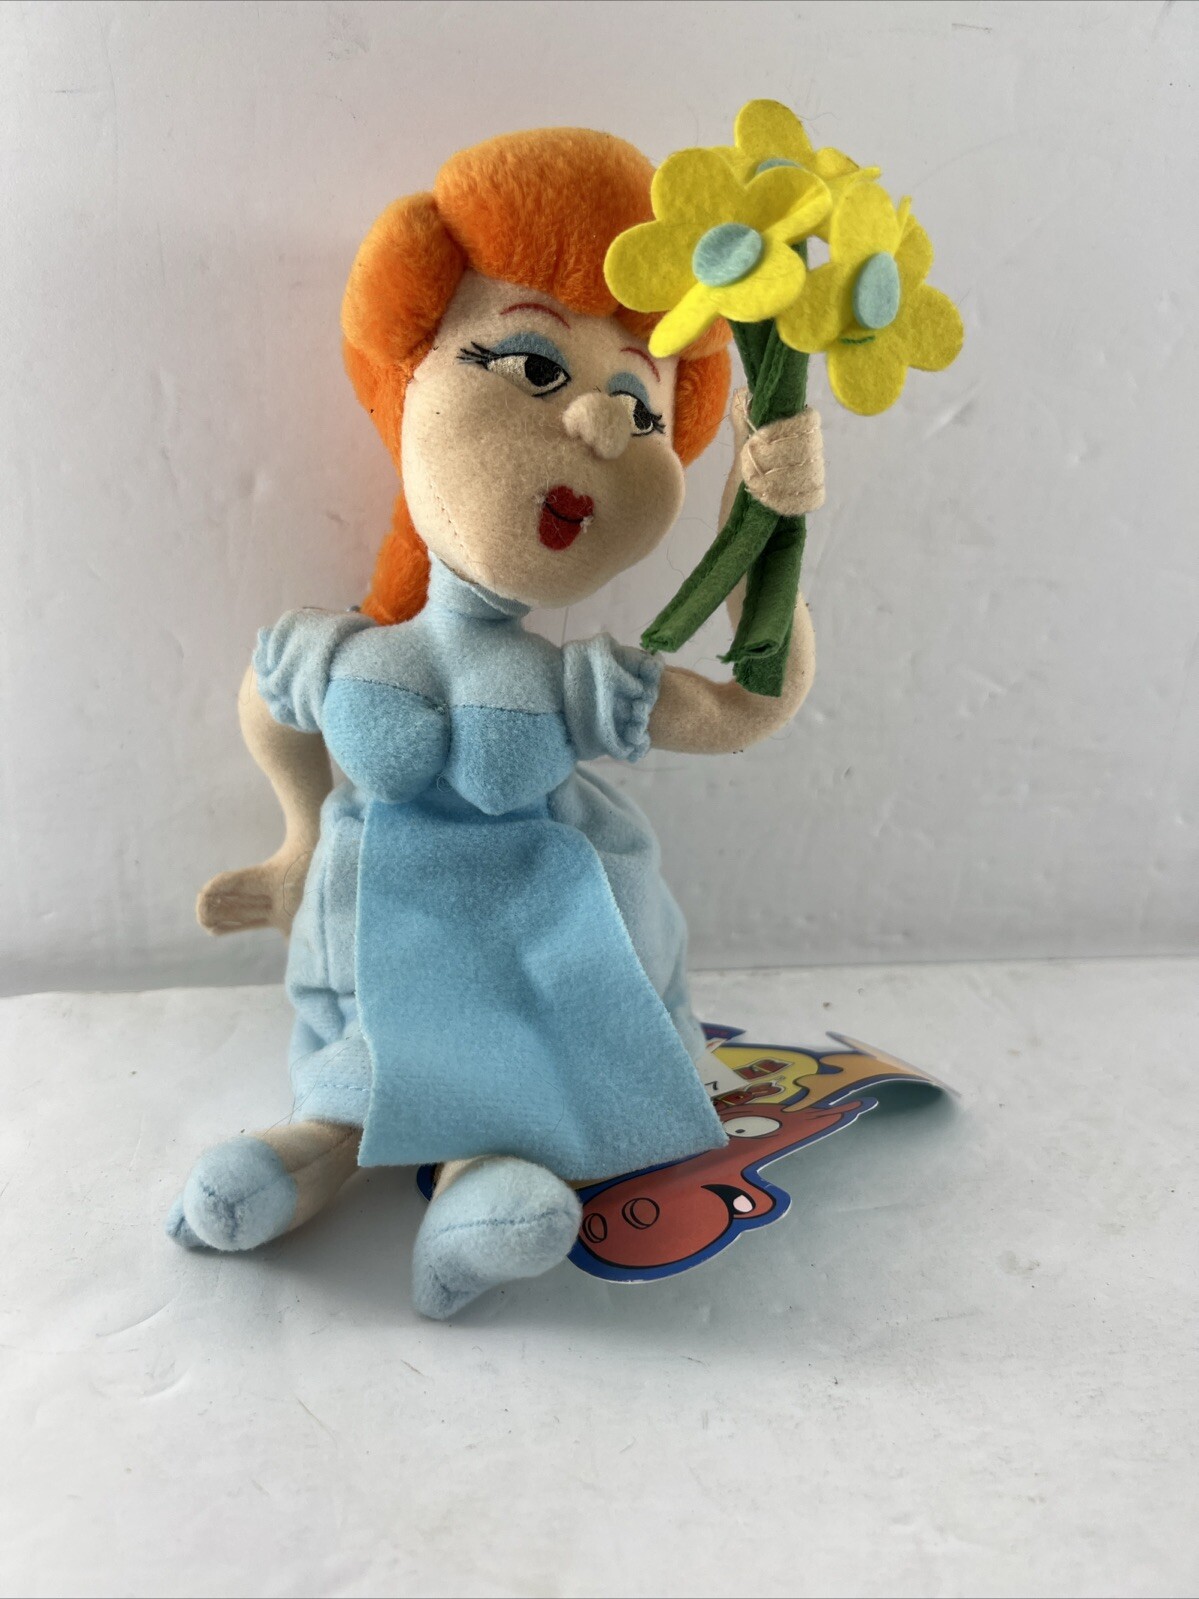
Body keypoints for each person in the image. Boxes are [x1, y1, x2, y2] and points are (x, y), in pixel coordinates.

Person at [169, 127, 825, 1319]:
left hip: (528, 964)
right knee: (354, 1083)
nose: (597, 424)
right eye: (531, 364)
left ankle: (485, 1184)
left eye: (636, 402)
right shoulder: (348, 651)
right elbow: (268, 703)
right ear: (413, 377)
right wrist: (296, 840)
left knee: (508, 1100)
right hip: (373, 959)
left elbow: (748, 708)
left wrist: (763, 541)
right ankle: (309, 1155)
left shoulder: (580, 684)